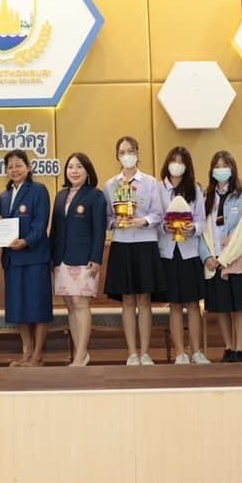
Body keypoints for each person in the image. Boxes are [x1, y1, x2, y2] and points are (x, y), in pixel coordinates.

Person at [104, 136, 166, 366]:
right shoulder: (110, 185)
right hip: (122, 244)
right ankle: (132, 353)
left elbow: (159, 214)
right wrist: (115, 223)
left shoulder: (150, 182)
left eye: (130, 151)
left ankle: (145, 352)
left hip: (145, 243)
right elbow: (106, 218)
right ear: (117, 156)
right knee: (127, 300)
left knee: (144, 300)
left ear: (138, 153)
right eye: (122, 152)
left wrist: (143, 221)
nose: (127, 155)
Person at [51, 153, 106, 367]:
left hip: (85, 259)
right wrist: (52, 258)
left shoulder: (95, 195)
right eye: (70, 166)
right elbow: (55, 230)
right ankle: (80, 354)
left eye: (79, 166)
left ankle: (81, 354)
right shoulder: (60, 195)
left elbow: (99, 230)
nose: (74, 171)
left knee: (80, 303)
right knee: (70, 306)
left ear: (88, 170)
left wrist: (96, 258)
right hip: (61, 259)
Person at [201, 150, 242, 363]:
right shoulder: (206, 196)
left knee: (240, 307)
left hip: (235, 261)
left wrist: (225, 258)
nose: (221, 170)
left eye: (225, 165)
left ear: (232, 168)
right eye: (217, 166)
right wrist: (207, 256)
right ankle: (228, 347)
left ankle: (240, 349)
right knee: (222, 308)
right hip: (213, 261)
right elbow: (202, 231)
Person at [0, 149, 52, 367]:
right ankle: (27, 353)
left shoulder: (38, 190)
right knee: (18, 308)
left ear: (28, 168)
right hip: (12, 260)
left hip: (34, 257)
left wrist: (26, 241)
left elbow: (41, 224)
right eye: (10, 166)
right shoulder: (4, 196)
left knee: (38, 307)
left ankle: (38, 356)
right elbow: (1, 225)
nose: (14, 170)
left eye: (19, 165)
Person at [158, 146, 209, 365]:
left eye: (181, 162)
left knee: (193, 303)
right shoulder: (159, 188)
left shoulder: (195, 190)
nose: (176, 165)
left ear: (187, 166)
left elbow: (202, 220)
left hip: (190, 253)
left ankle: (196, 350)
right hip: (169, 253)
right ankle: (180, 352)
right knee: (175, 304)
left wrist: (193, 228)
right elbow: (155, 217)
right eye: (173, 161)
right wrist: (164, 227)